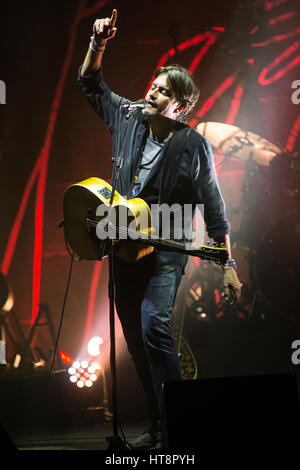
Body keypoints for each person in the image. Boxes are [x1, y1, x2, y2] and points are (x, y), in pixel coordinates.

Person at [78, 9, 242, 449]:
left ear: (180, 105)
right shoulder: (128, 119)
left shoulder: (193, 146)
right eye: (154, 84)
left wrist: (227, 265)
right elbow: (90, 84)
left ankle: (185, 423)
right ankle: (159, 425)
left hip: (166, 250)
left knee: (154, 328)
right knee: (134, 339)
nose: (153, 91)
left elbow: (214, 206)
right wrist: (99, 43)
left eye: (164, 91)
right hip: (123, 248)